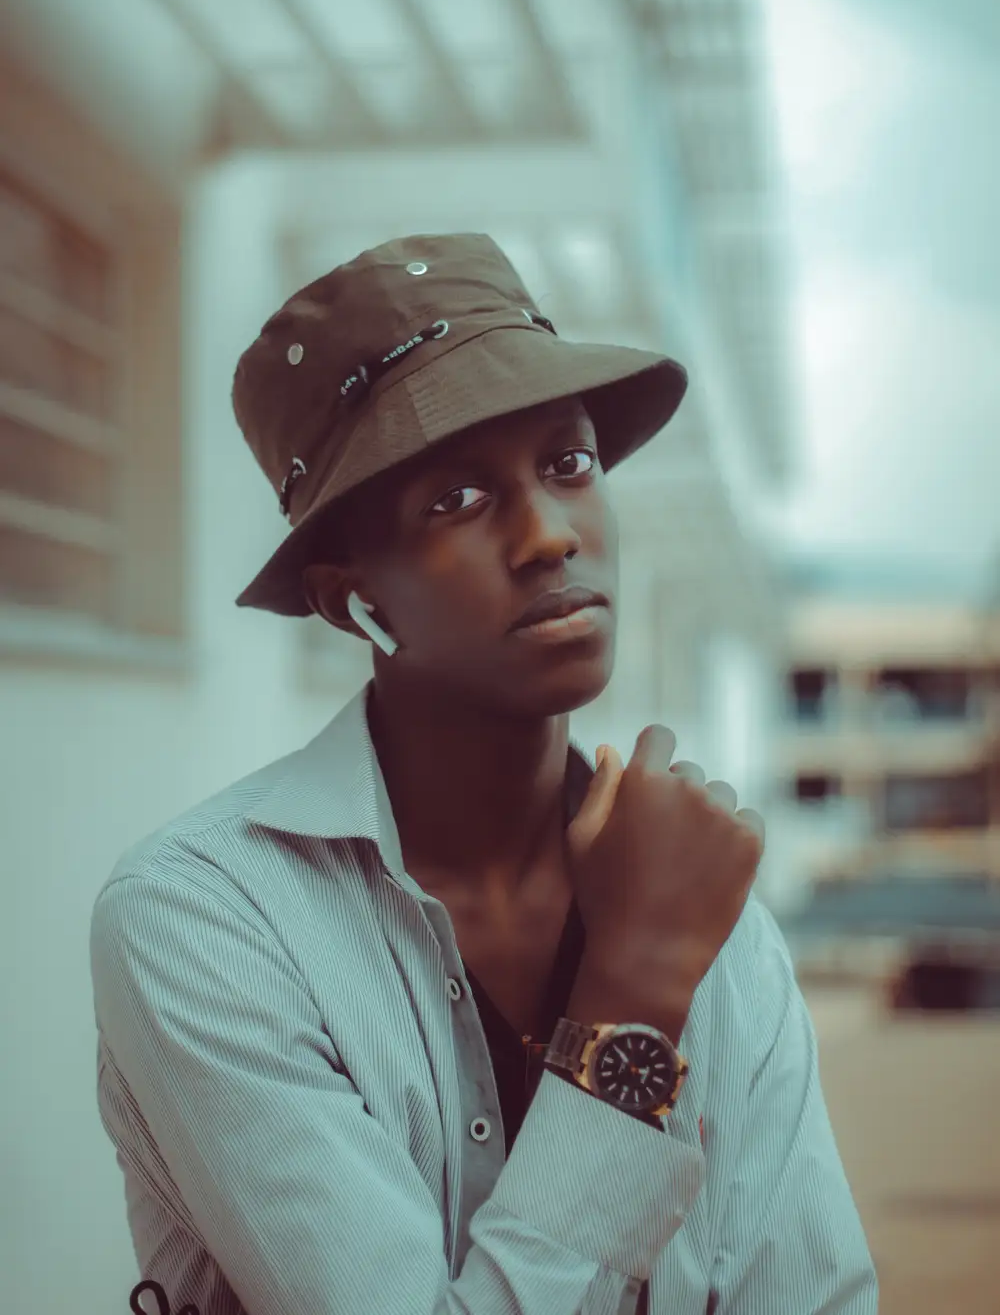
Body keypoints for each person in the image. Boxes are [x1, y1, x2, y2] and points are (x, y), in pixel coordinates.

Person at [90, 234, 878, 1315]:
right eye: (455, 498)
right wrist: (635, 993)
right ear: (350, 600)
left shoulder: (702, 893)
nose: (550, 535)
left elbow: (813, 1294)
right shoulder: (202, 919)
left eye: (569, 463)